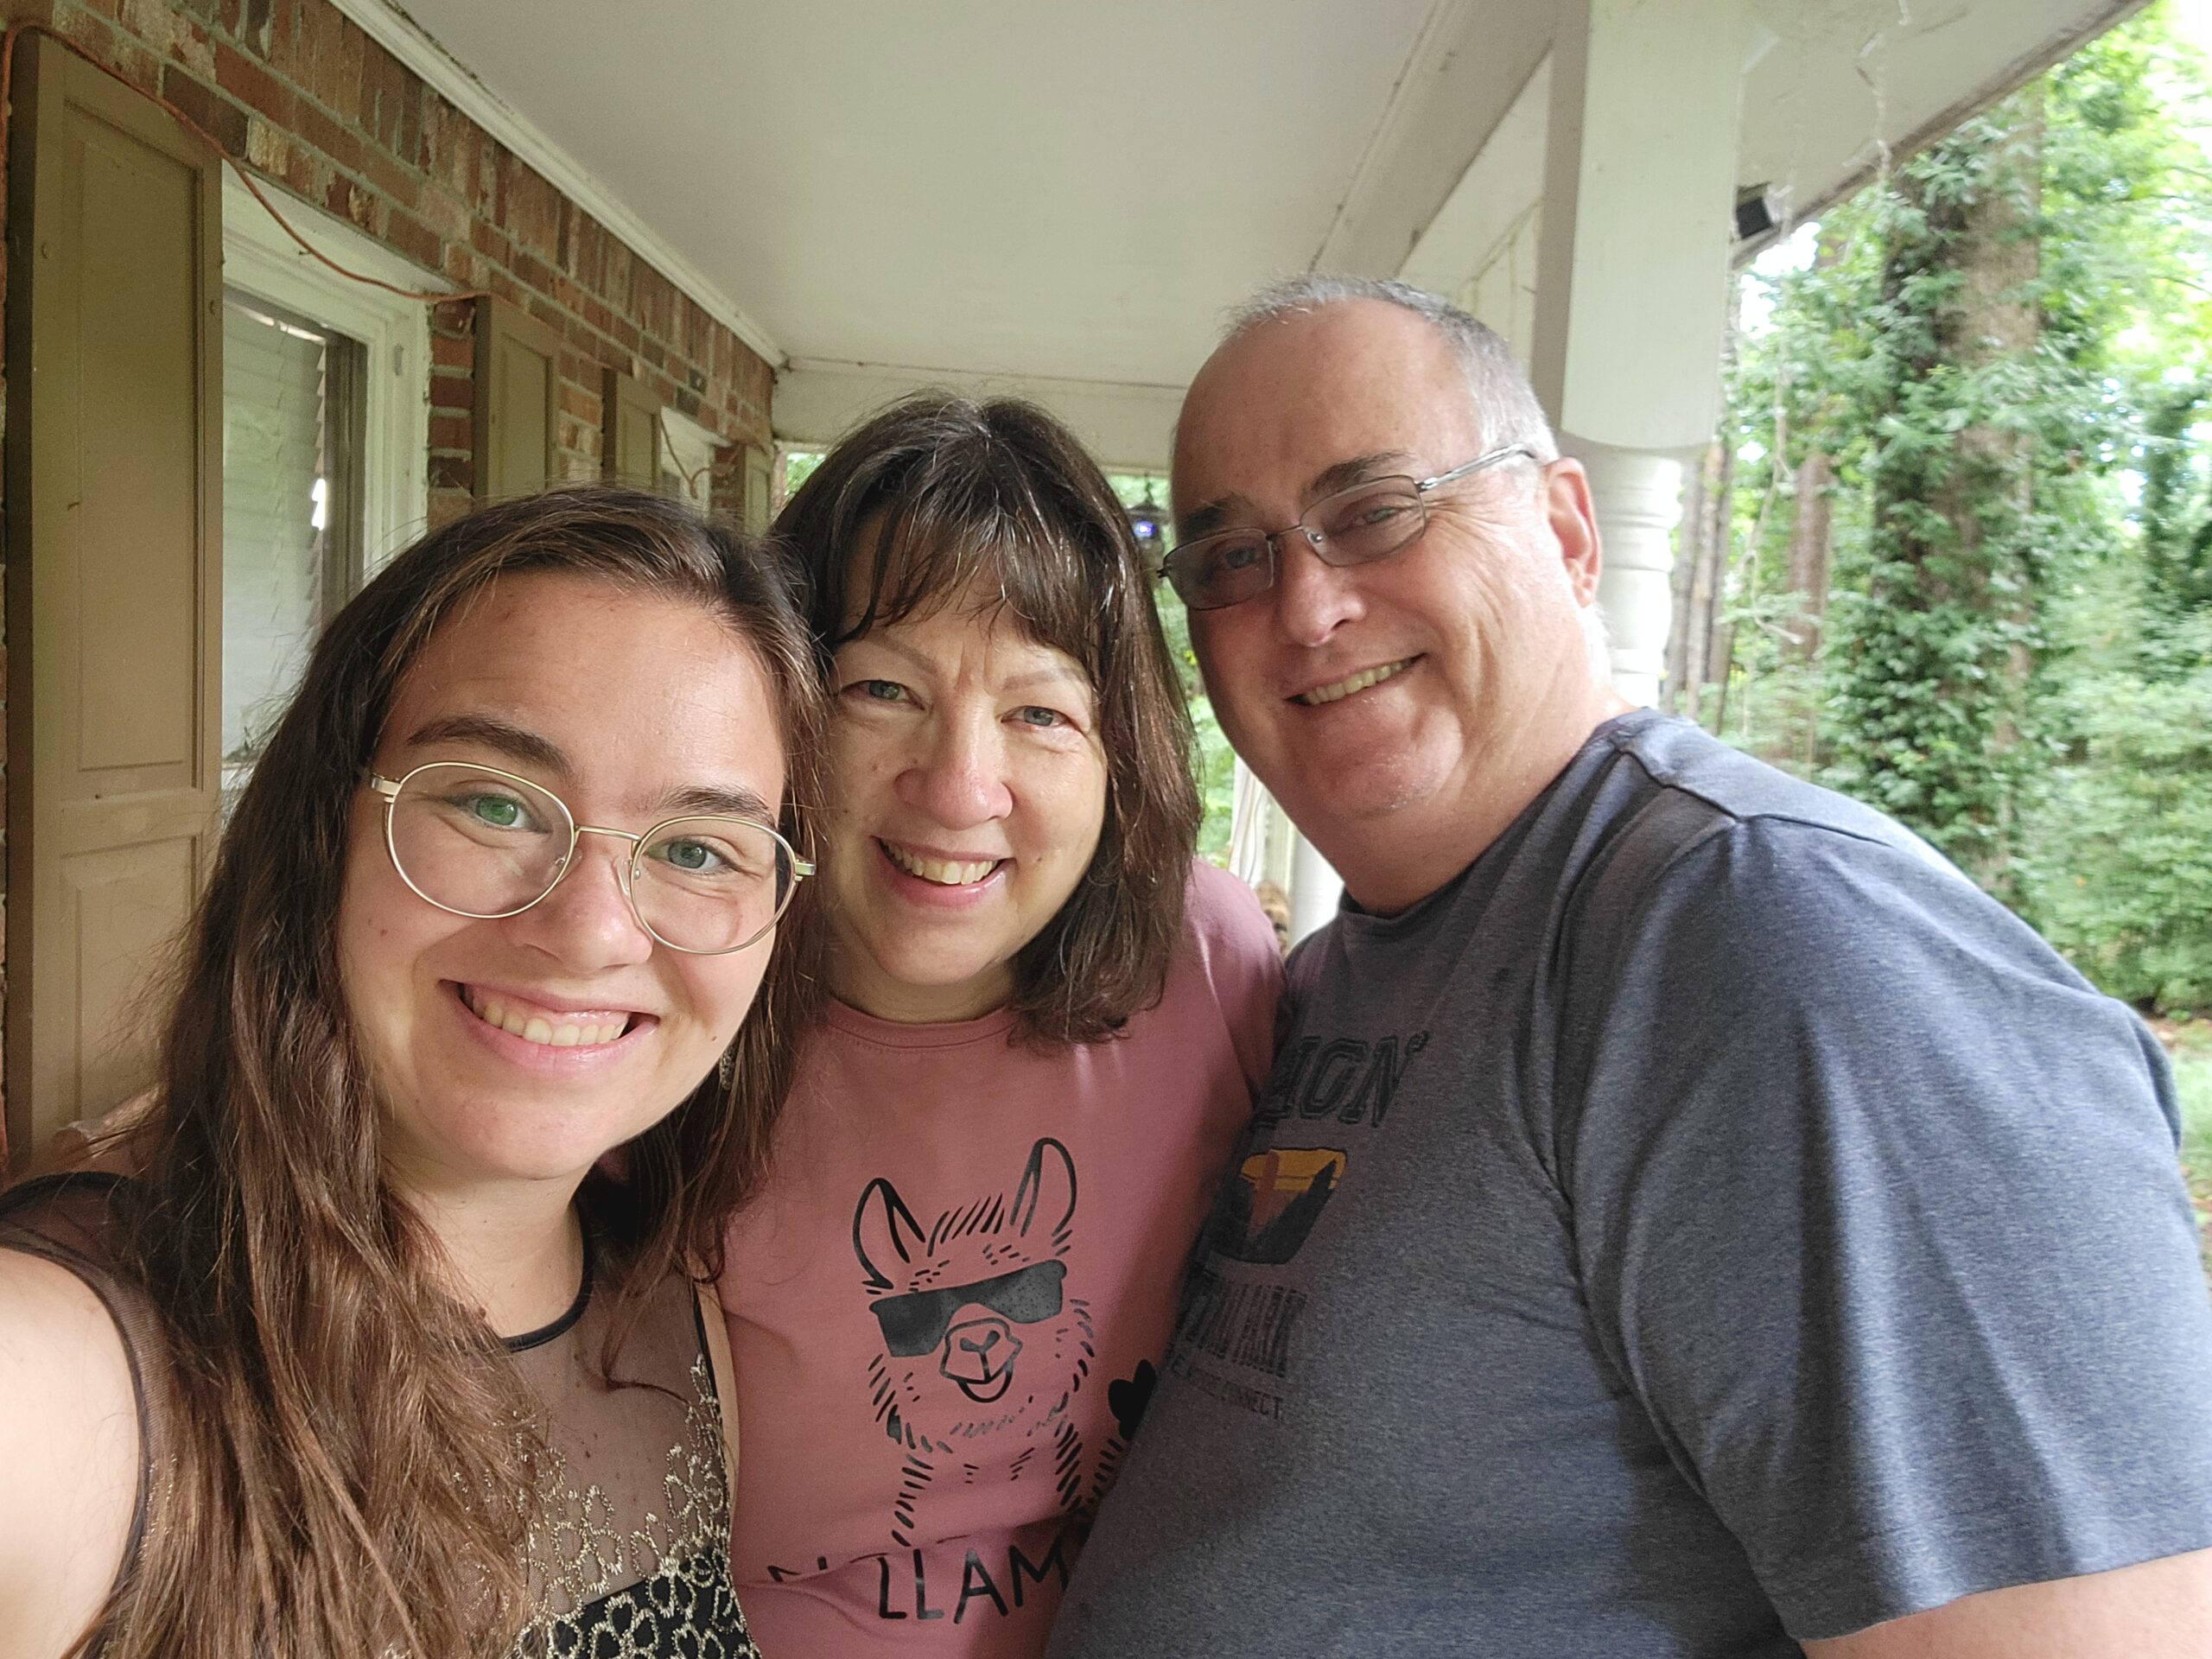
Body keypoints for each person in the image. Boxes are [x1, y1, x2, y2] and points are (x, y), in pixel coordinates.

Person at [1048, 276, 2212, 1657]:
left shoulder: (1774, 940)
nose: (1303, 605)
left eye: (1376, 511)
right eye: (1231, 557)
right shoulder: (1353, 968)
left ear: (1565, 529)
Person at [0, 488, 824, 1659]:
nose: (590, 931)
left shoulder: (674, 1307)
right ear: (323, 832)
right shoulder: (93, 1376)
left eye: (697, 850)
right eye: (493, 803)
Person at [719, 394, 1281, 1657]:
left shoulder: (1208, 964)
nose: (961, 786)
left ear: (1118, 754)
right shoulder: (667, 1007)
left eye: (1040, 711)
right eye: (880, 689)